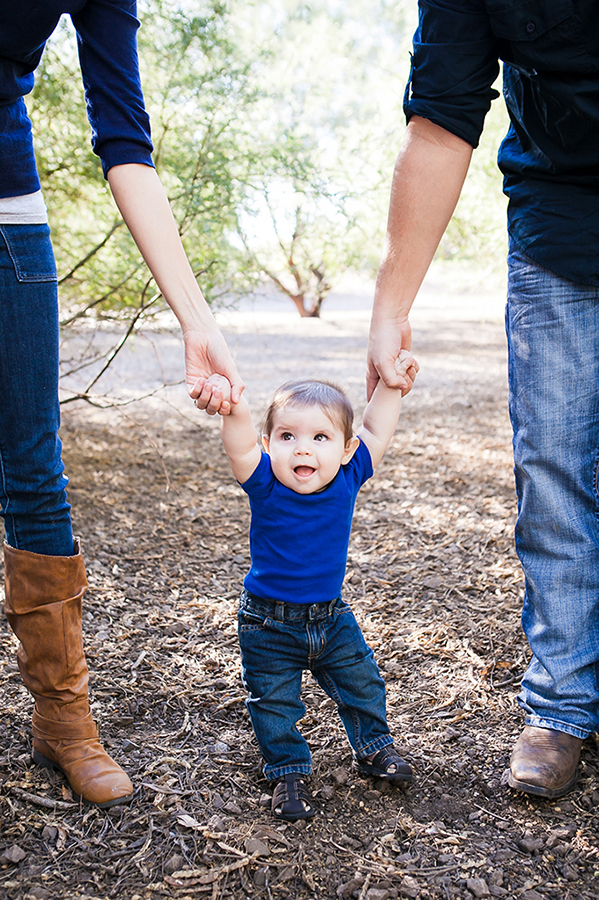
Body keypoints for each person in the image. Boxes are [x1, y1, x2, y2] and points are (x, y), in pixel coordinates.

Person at [1, 1, 240, 808]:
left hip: (5, 205)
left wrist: (195, 319)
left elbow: (125, 143)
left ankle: (64, 720)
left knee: (34, 469)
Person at [366, 0, 599, 799]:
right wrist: (391, 308)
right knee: (554, 472)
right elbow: (441, 119)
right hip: (560, 227)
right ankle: (562, 706)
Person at [195, 363, 418, 820]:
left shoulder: (348, 477)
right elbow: (238, 445)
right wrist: (233, 406)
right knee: (273, 701)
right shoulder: (265, 484)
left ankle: (375, 748)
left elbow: (376, 428)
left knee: (363, 683)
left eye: (321, 438)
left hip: (331, 619)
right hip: (267, 623)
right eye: (287, 436)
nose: (304, 448)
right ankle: (287, 770)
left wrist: (391, 386)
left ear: (345, 449)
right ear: (269, 445)